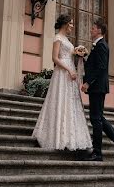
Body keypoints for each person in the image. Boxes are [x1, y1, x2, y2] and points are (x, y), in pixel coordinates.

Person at [32, 13, 92, 151]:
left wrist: (79, 54)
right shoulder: (58, 38)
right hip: (62, 73)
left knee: (69, 103)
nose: (72, 26)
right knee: (60, 101)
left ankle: (69, 137)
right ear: (65, 24)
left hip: (70, 73)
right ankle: (57, 137)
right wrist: (68, 70)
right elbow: (55, 58)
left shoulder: (67, 39)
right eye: (70, 23)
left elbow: (69, 56)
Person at [81, 18, 114, 162]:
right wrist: (83, 57)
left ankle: (98, 152)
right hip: (98, 87)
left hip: (97, 87)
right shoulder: (98, 46)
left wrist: (88, 82)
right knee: (98, 118)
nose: (91, 30)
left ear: (99, 31)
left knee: (96, 119)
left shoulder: (101, 46)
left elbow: (101, 68)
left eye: (93, 28)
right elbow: (94, 65)